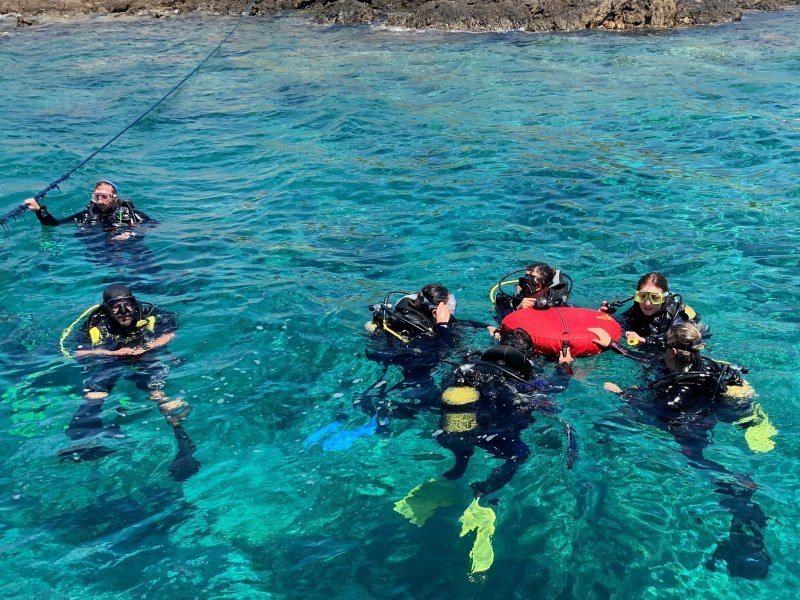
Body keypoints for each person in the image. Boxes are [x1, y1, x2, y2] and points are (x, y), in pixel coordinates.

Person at [593, 323, 773, 579]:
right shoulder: (709, 366)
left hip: (689, 427)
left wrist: (621, 394)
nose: (662, 351)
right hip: (712, 413)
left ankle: (738, 490)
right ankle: (743, 501)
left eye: (665, 347)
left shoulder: (677, 392)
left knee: (698, 463)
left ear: (674, 352)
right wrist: (613, 346)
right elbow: (648, 359)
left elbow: (659, 411)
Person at [62, 283, 199, 481]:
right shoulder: (95, 322)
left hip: (144, 353)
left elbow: (170, 331)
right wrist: (113, 353)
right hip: (111, 357)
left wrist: (147, 347)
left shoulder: (148, 313)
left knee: (157, 393)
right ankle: (85, 440)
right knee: (95, 392)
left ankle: (184, 443)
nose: (124, 311)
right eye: (116, 307)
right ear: (107, 308)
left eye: (127, 305)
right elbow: (78, 351)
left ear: (134, 303)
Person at [435, 327, 575, 498]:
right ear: (525, 359)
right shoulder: (520, 384)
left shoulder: (470, 370)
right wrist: (564, 365)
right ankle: (484, 489)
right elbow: (558, 384)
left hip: (453, 429)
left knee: (465, 435)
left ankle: (459, 466)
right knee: (520, 454)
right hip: (493, 432)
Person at [600, 271, 698, 349]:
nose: (647, 303)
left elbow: (682, 342)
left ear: (664, 298)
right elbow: (621, 322)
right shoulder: (637, 307)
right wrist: (606, 318)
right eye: (642, 296)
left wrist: (644, 340)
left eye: (654, 297)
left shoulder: (675, 316)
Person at [23, 180, 151, 237]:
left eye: (104, 197)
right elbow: (54, 225)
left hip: (129, 243)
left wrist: (133, 233)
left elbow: (153, 226)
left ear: (115, 198)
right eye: (97, 196)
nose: (100, 200)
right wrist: (39, 210)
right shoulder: (86, 215)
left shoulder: (131, 214)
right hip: (99, 247)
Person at [491, 262, 572, 321]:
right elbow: (501, 319)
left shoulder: (556, 302)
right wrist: (517, 309)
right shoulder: (519, 298)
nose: (527, 289)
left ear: (546, 288)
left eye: (533, 285)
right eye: (525, 283)